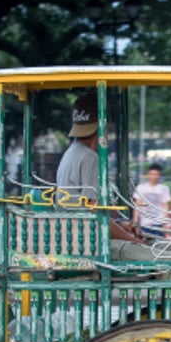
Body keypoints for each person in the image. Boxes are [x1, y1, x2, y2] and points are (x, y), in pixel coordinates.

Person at [55, 94, 158, 260]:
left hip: (78, 237)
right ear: (105, 125)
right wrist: (132, 240)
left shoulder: (72, 153)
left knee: (164, 245)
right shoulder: (90, 158)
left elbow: (93, 209)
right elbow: (97, 214)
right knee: (168, 258)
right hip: (92, 243)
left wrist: (121, 224)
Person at [132, 163, 171, 238]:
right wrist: (135, 222)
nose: (154, 176)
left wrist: (164, 222)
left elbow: (165, 206)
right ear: (148, 174)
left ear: (159, 175)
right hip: (144, 223)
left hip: (158, 223)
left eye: (156, 174)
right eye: (152, 174)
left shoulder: (164, 188)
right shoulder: (141, 188)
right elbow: (137, 205)